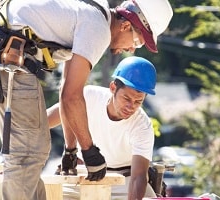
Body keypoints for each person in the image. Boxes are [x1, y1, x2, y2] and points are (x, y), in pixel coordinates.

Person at [0, 0, 173, 199]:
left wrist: (70, 149)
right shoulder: (99, 28)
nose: (132, 49)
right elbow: (71, 97)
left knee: (26, 153)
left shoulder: (92, 13)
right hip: (11, 58)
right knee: (29, 155)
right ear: (126, 25)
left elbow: (65, 90)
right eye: (137, 42)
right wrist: (89, 151)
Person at [47, 56, 158, 200]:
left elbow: (138, 177)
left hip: (124, 180)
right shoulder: (88, 96)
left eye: (138, 102)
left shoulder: (142, 126)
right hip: (83, 174)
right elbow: (48, 119)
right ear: (113, 88)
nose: (131, 107)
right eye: (126, 99)